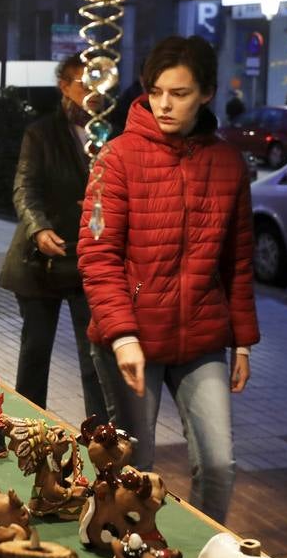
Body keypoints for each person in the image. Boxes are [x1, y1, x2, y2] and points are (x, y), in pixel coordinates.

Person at [78, 36, 259, 525]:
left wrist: (242, 341)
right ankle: (128, 554)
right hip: (133, 338)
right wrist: (121, 336)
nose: (164, 104)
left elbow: (238, 260)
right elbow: (97, 256)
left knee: (219, 463)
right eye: (156, 91)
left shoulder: (227, 164)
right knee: (135, 466)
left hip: (202, 335)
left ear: (206, 93)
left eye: (178, 93)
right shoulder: (115, 158)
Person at [0, 52, 107, 417]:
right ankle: (29, 427)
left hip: (89, 258)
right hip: (41, 260)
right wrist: (38, 227)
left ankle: (101, 437)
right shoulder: (41, 133)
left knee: (95, 357)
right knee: (35, 353)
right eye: (85, 83)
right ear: (65, 86)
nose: (94, 91)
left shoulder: (109, 132)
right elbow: (24, 188)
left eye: (101, 83)